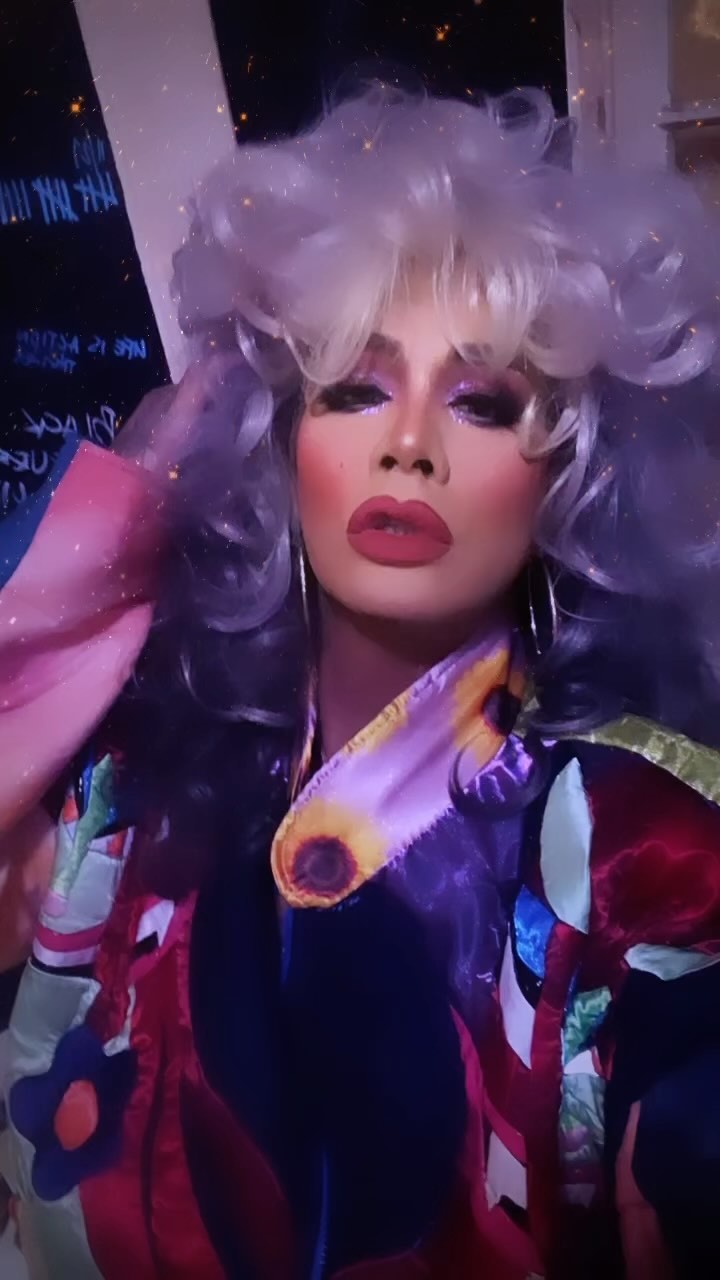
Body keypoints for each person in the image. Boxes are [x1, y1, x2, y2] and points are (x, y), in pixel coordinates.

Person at [0, 82, 719, 1280]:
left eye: (482, 402)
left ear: (567, 479)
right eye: (354, 386)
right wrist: (135, 504)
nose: (410, 444)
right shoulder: (127, 796)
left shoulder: (633, 856)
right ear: (281, 443)